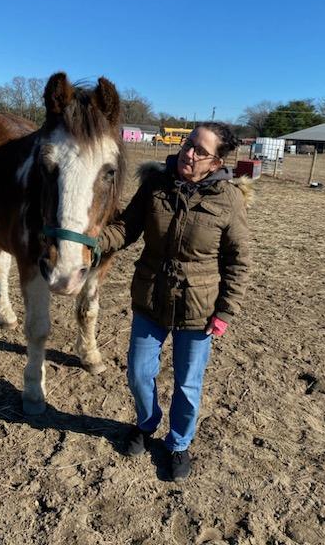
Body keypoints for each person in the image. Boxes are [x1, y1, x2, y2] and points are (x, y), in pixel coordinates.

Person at [99, 122, 252, 481]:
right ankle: (147, 422)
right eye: (188, 144)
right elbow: (126, 228)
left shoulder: (228, 199)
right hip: (150, 297)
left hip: (198, 308)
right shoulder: (155, 183)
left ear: (215, 163)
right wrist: (91, 244)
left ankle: (179, 444)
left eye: (200, 151)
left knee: (187, 383)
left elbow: (239, 259)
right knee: (138, 373)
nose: (189, 153)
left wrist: (226, 311)